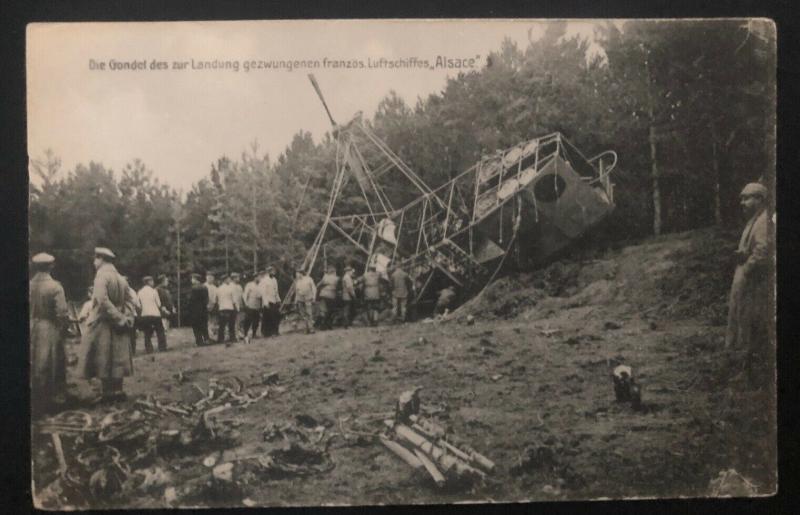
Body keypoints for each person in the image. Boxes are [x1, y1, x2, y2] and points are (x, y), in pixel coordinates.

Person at [725, 182, 772, 388]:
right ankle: (744, 370)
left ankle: (751, 374)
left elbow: (762, 251)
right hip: (746, 279)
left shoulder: (763, 222)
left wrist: (747, 267)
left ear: (760, 199)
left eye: (747, 198)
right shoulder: (754, 220)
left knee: (750, 325)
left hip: (754, 283)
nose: (743, 203)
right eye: (742, 198)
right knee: (742, 322)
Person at [77, 247, 135, 403]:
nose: (94, 262)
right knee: (117, 357)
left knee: (103, 358)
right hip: (119, 324)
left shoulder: (101, 277)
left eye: (96, 259)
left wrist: (117, 317)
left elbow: (102, 301)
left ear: (101, 259)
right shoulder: (121, 278)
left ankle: (108, 393)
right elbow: (132, 300)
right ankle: (118, 390)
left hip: (103, 322)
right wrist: (126, 317)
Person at [30, 253, 70, 415]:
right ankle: (53, 400)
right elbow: (62, 312)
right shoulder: (55, 286)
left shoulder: (29, 284)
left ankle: (36, 399)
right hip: (49, 327)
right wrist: (63, 328)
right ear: (51, 266)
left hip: (32, 325)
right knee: (52, 362)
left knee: (34, 361)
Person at [137, 275, 167, 353]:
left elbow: (138, 305)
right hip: (155, 313)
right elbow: (159, 304)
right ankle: (162, 347)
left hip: (145, 314)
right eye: (152, 281)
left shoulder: (140, 292)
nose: (153, 283)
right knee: (160, 331)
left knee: (147, 333)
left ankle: (149, 349)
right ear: (149, 282)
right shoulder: (154, 291)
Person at [216, 274, 239, 344]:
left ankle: (220, 339)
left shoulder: (219, 288)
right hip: (229, 307)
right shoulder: (230, 288)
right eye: (228, 279)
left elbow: (217, 299)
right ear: (225, 280)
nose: (229, 280)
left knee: (222, 324)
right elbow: (234, 299)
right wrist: (237, 308)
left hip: (222, 308)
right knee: (231, 324)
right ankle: (232, 338)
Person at [188, 273, 209, 346]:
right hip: (203, 309)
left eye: (192, 279)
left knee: (196, 326)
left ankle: (199, 341)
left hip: (195, 310)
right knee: (204, 325)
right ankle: (206, 339)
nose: (191, 280)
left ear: (196, 280)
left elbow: (190, 300)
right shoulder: (205, 287)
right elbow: (206, 299)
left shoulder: (193, 288)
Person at [260, 266, 281, 337]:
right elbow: (263, 292)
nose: (274, 272)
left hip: (274, 300)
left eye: (274, 271)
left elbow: (276, 291)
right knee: (267, 317)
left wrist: (278, 300)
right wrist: (266, 303)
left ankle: (275, 331)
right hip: (268, 301)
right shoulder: (264, 280)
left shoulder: (274, 280)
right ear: (268, 272)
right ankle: (266, 333)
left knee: (276, 316)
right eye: (272, 271)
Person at [294, 268, 317, 334]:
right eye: (296, 274)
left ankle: (311, 328)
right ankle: (306, 329)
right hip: (300, 299)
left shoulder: (308, 279)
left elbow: (314, 288)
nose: (296, 275)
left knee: (309, 313)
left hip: (308, 298)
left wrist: (314, 296)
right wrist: (296, 301)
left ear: (301, 273)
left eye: (297, 274)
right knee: (303, 314)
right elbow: (297, 292)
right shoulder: (297, 282)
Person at [242, 271, 263, 342]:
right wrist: (246, 303)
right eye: (258, 277)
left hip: (257, 305)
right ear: (255, 278)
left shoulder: (260, 285)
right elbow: (245, 295)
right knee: (248, 320)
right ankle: (245, 334)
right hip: (250, 305)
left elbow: (261, 295)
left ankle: (254, 334)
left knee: (256, 321)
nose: (260, 278)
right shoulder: (249, 285)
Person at [316, 265, 339, 330]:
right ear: (334, 272)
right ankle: (329, 325)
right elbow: (338, 287)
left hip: (323, 295)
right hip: (331, 296)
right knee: (331, 311)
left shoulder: (325, 277)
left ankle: (323, 326)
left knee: (324, 311)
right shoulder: (336, 278)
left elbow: (318, 285)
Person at [230, 272, 244, 340]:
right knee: (234, 321)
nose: (239, 278)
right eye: (237, 277)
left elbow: (241, 296)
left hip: (240, 304)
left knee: (240, 320)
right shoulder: (231, 286)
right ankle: (235, 335)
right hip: (233, 305)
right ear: (234, 278)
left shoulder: (239, 286)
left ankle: (240, 333)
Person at [205, 272, 218, 339]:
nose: (210, 279)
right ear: (206, 278)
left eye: (211, 277)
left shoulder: (215, 287)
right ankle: (207, 336)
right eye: (209, 277)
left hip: (213, 305)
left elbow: (216, 297)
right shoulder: (204, 286)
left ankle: (212, 336)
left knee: (213, 320)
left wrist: (213, 304)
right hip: (205, 305)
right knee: (206, 320)